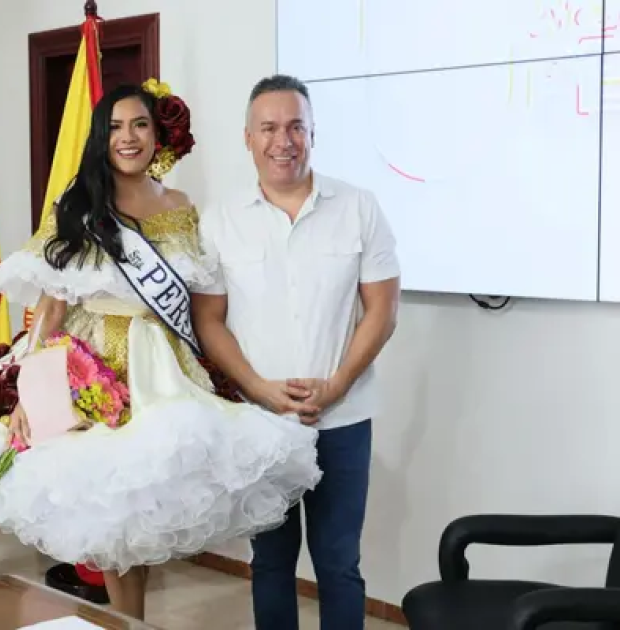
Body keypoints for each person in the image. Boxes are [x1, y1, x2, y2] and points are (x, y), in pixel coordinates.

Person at [0, 80, 324, 621]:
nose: (129, 137)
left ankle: (131, 621)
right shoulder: (77, 205)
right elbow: (51, 305)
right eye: (115, 127)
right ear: (101, 137)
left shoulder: (182, 207)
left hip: (160, 368)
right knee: (107, 514)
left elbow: (198, 296)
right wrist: (27, 385)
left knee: (139, 507)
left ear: (155, 134)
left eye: (139, 124)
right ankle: (130, 622)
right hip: (91, 359)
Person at [192, 74, 401, 630]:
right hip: (260, 423)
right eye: (269, 128)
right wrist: (259, 390)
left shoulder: (358, 206)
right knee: (272, 562)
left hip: (343, 419)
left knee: (339, 564)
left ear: (313, 134)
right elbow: (208, 320)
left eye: (295, 127)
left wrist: (335, 385)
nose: (282, 141)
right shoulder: (220, 219)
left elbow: (382, 311)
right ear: (247, 137)